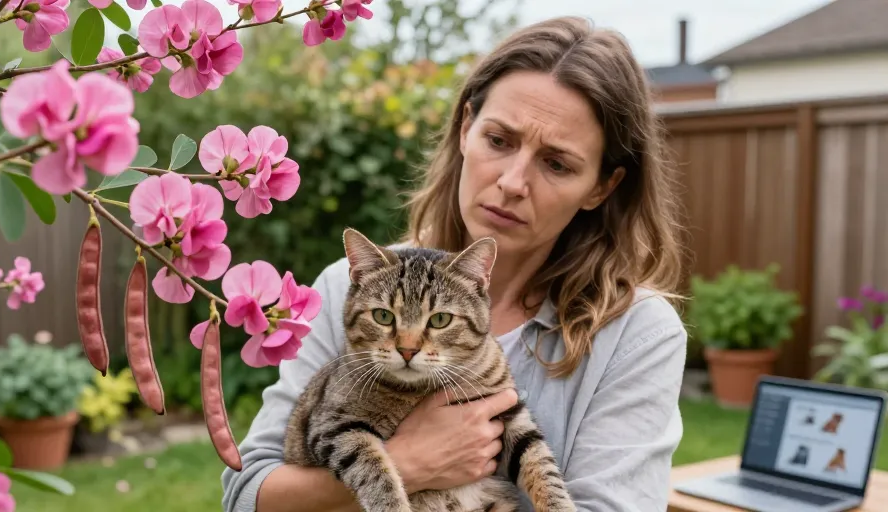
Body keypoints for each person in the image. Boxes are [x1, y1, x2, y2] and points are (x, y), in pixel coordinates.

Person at [222, 15, 690, 512]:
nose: (513, 181)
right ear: (466, 129)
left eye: (556, 163)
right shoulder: (347, 287)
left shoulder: (638, 333)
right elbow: (246, 493)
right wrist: (411, 462)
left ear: (602, 186)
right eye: (499, 140)